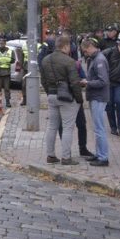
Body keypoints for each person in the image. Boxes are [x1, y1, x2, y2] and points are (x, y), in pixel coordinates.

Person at [41, 35, 83, 165]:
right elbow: (75, 82)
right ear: (65, 46)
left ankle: (50, 155)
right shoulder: (69, 61)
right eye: (69, 46)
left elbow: (43, 80)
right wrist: (79, 99)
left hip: (52, 96)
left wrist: (49, 93)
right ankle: (66, 157)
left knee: (52, 127)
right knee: (67, 128)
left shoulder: (45, 60)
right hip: (66, 98)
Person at [81, 37, 111, 167]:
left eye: (85, 50)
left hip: (99, 97)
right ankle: (99, 154)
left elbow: (103, 81)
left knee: (99, 129)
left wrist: (88, 83)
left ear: (90, 47)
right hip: (96, 96)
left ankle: (103, 157)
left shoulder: (99, 60)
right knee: (97, 128)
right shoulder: (96, 58)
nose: (84, 53)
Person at [0, 36, 14, 108]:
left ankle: (8, 102)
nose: (1, 44)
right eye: (0, 43)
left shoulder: (10, 51)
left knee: (7, 88)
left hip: (6, 73)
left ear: (5, 43)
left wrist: (5, 61)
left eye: (2, 43)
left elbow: (13, 60)